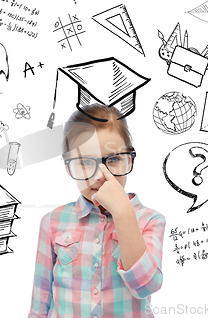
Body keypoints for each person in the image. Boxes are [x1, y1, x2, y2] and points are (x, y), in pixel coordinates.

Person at [28, 104, 166, 318]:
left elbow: (146, 287)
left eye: (113, 159)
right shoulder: (52, 222)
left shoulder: (150, 220)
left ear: (129, 159)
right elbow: (41, 300)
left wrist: (122, 213)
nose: (100, 175)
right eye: (84, 162)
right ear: (68, 167)